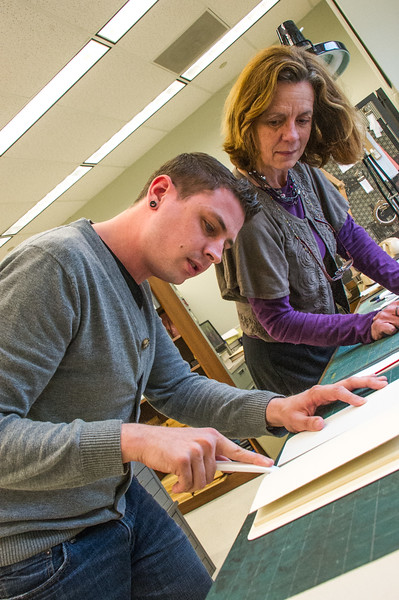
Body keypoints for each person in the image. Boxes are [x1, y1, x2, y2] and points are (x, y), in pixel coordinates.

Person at [0, 152, 387, 600]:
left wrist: (277, 407)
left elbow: (176, 387)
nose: (214, 253)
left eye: (225, 243)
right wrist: (136, 439)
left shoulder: (137, 284)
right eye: (209, 226)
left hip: (118, 506)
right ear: (160, 193)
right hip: (41, 550)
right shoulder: (55, 266)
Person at [216, 45, 399, 396]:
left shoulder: (301, 173)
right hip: (288, 361)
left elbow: (353, 239)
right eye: (275, 121)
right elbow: (277, 320)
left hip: (326, 329)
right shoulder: (245, 210)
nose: (293, 135)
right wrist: (364, 325)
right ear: (247, 122)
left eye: (303, 119)